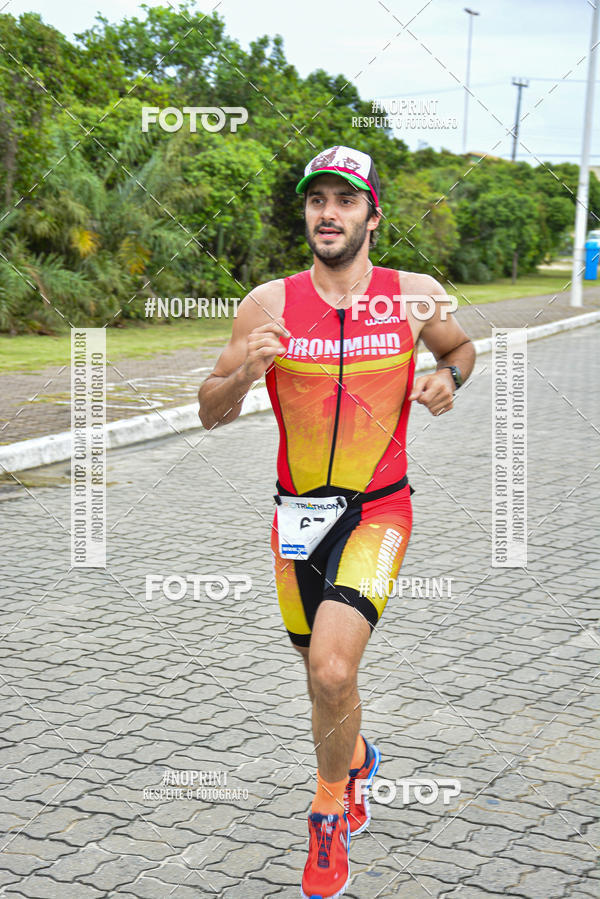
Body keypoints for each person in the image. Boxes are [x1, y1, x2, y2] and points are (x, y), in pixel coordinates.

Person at [198, 145, 475, 899]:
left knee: (331, 667)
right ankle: (352, 757)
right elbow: (209, 411)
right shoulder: (269, 302)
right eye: (317, 198)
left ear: (373, 215)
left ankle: (329, 811)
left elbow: (460, 348)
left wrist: (445, 377)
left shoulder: (414, 295)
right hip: (296, 521)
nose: (329, 211)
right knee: (322, 679)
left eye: (345, 199)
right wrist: (243, 372)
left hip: (379, 508)